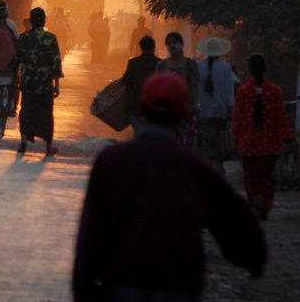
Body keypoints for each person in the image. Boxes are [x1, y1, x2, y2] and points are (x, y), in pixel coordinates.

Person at [72, 72, 267, 302]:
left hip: (123, 284)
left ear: (142, 109)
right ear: (183, 115)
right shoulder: (195, 167)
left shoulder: (112, 161)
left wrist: (84, 286)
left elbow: (92, 230)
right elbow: (233, 220)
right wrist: (253, 260)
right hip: (178, 286)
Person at [232, 53, 296, 220]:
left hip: (248, 144)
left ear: (249, 70)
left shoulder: (243, 91)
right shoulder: (275, 91)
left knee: (251, 178)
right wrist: (288, 138)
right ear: (265, 69)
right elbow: (282, 118)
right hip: (270, 144)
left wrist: (235, 140)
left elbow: (237, 119)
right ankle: (265, 206)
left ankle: (254, 201)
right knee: (266, 178)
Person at [13, 6, 63, 156]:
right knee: (46, 115)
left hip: (28, 84)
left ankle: (23, 142)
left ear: (31, 21)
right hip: (45, 85)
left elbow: (15, 60)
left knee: (26, 111)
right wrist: (57, 85)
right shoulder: (50, 38)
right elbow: (55, 63)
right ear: (44, 21)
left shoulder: (23, 38)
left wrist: (15, 77)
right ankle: (48, 147)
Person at [196, 35, 235, 172]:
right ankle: (217, 166)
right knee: (219, 140)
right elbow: (229, 91)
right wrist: (230, 109)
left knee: (207, 141)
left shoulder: (199, 66)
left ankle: (208, 166)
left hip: (203, 111)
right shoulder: (226, 68)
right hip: (220, 111)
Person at [157, 31, 200, 146]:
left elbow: (195, 84)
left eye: (175, 42)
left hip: (186, 109)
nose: (172, 45)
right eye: (169, 43)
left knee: (186, 141)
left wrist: (196, 103)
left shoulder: (191, 64)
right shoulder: (162, 65)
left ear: (181, 44)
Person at [121, 34, 158, 136]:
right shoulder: (160, 63)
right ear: (154, 47)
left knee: (138, 133)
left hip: (135, 105)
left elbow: (125, 80)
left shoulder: (134, 62)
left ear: (140, 48)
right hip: (154, 106)